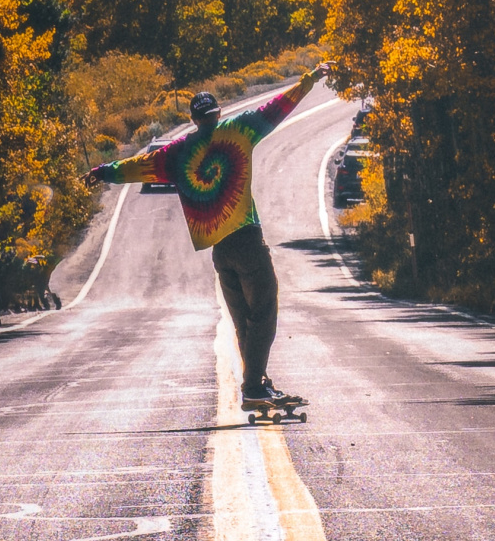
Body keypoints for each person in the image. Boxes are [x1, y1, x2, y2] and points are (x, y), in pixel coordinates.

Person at [86, 62, 330, 409]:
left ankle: (255, 384)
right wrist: (309, 79)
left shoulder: (177, 153)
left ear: (193, 118)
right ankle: (254, 388)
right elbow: (276, 107)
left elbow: (139, 166)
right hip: (247, 241)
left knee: (243, 321)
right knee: (264, 312)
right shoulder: (239, 130)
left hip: (220, 252)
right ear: (216, 113)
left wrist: (103, 172)